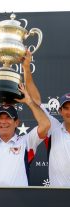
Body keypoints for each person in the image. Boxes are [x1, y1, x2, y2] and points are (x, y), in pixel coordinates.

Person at [23, 51, 70, 187]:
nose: (69, 112)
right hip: (57, 199)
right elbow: (36, 102)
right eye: (65, 108)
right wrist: (26, 68)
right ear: (60, 111)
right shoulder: (53, 128)